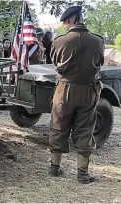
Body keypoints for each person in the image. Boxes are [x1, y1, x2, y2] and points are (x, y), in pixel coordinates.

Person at [48, 6, 104, 184]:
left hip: (64, 89)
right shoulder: (98, 41)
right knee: (85, 129)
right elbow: (100, 62)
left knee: (58, 126)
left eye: (65, 21)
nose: (65, 25)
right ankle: (82, 173)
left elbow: (56, 63)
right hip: (88, 90)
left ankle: (54, 168)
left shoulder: (59, 41)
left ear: (70, 20)